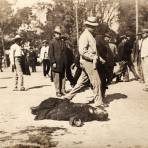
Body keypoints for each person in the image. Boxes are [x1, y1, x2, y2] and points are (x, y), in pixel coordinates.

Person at [65, 16, 106, 108]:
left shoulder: (90, 35)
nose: (94, 28)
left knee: (81, 82)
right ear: (87, 26)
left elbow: (93, 50)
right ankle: (98, 102)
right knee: (96, 81)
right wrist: (93, 57)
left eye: (94, 26)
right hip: (88, 62)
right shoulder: (85, 36)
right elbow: (82, 51)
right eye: (91, 26)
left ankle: (68, 97)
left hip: (89, 61)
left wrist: (99, 58)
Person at [49, 26, 67, 97]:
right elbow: (50, 54)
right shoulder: (52, 42)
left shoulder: (62, 42)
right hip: (56, 63)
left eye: (59, 33)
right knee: (57, 77)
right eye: (57, 33)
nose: (58, 35)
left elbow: (65, 52)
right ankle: (57, 91)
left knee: (63, 77)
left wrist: (66, 62)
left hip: (62, 62)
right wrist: (53, 62)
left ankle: (62, 90)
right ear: (54, 34)